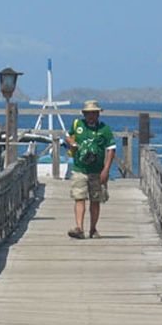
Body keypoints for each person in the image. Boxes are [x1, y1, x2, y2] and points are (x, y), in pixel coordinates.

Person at [65, 100, 116, 239]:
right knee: (79, 197)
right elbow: (68, 136)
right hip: (79, 168)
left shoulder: (104, 129)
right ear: (84, 114)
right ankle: (79, 228)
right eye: (89, 113)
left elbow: (111, 149)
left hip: (97, 171)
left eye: (94, 113)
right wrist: (72, 143)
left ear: (98, 114)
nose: (91, 116)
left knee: (95, 200)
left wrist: (106, 169)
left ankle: (93, 229)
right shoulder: (78, 125)